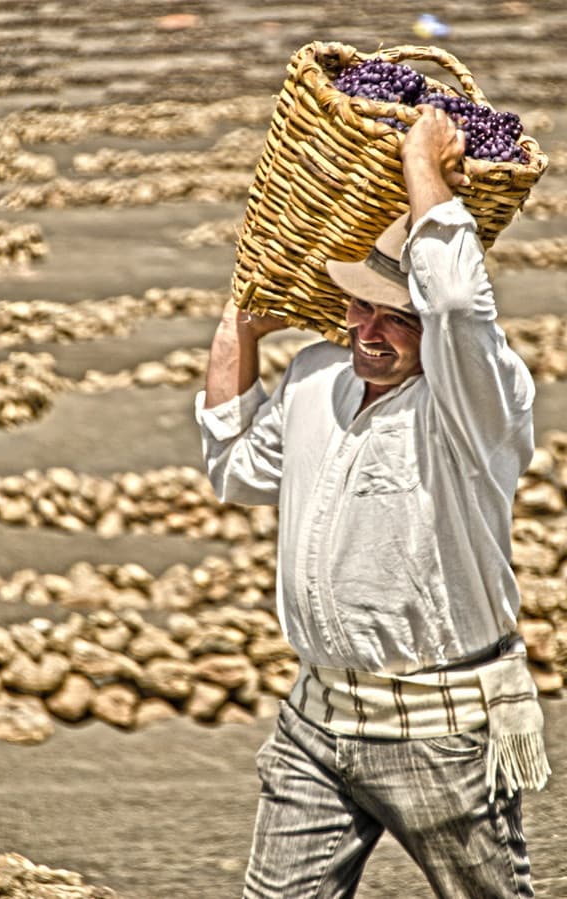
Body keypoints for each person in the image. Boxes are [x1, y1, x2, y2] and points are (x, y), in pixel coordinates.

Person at [195, 105, 550, 898]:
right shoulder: (315, 376)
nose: (369, 330)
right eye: (361, 305)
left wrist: (423, 163)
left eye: (398, 317)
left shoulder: (476, 403)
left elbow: (457, 305)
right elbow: (236, 472)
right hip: (315, 721)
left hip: (440, 731)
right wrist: (236, 330)